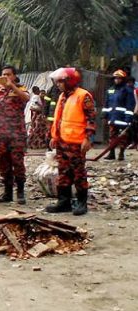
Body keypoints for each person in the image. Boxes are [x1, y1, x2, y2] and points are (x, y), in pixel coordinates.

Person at [46, 68, 96, 216]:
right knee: (63, 172)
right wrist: (54, 137)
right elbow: (59, 118)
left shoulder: (83, 96)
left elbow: (91, 119)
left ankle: (82, 203)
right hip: (62, 141)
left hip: (76, 142)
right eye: (58, 82)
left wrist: (87, 138)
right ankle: (64, 202)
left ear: (70, 81)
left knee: (78, 173)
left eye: (61, 82)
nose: (58, 85)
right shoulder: (62, 96)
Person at [0, 65, 30, 205]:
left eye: (8, 74)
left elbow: (26, 98)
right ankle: (7, 192)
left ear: (14, 76)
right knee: (4, 163)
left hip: (17, 133)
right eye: (3, 74)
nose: (5, 76)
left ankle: (20, 192)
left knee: (18, 162)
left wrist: (12, 86)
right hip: (2, 134)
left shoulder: (21, 89)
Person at [102, 69, 135, 161]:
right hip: (112, 118)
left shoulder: (127, 91)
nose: (117, 80)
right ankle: (111, 153)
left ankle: (121, 153)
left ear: (123, 79)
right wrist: (104, 115)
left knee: (123, 137)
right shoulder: (110, 90)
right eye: (115, 78)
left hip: (122, 119)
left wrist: (128, 119)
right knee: (112, 136)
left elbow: (130, 105)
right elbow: (106, 103)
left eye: (119, 78)